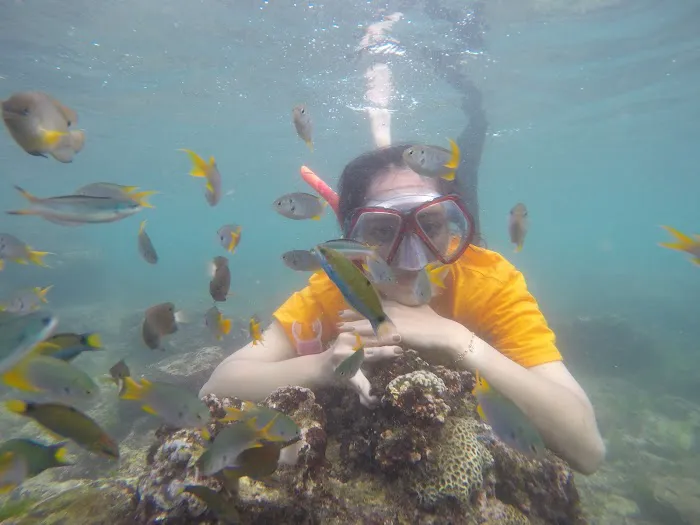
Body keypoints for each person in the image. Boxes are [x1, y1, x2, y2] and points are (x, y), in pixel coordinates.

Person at [200, 10, 605, 476]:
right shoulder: (339, 286)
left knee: (461, 163)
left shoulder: (488, 278)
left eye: (431, 224)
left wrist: (457, 340)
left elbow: (587, 449)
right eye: (381, 232)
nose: (411, 260)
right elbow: (217, 386)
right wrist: (321, 369)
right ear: (350, 241)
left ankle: (462, 131)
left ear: (454, 225)